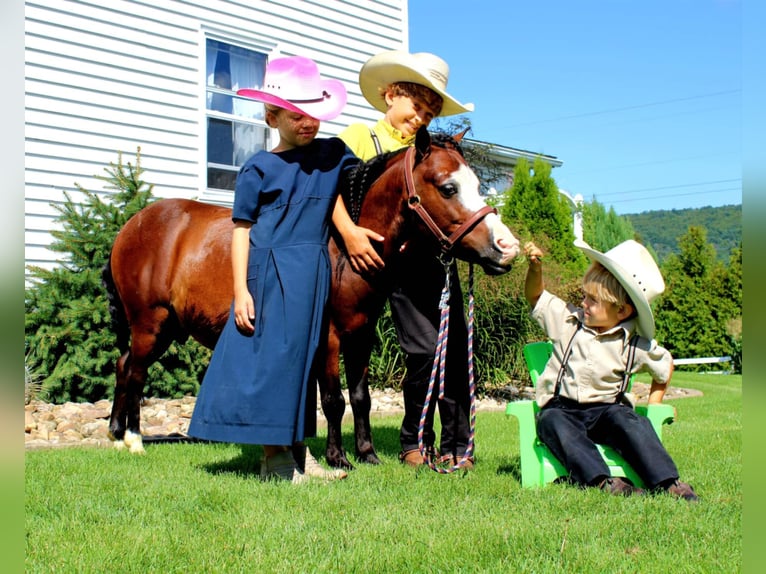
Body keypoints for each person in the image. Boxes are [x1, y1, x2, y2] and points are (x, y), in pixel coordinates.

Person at [188, 55, 359, 484]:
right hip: (269, 273)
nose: (308, 123)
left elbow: (369, 179)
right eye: (297, 115)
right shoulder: (257, 169)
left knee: (303, 363)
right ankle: (276, 461)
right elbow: (242, 231)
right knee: (272, 364)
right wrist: (242, 290)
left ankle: (299, 455)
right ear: (272, 115)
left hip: (313, 273)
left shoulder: (333, 155)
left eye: (314, 114)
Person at [334, 50, 483, 469]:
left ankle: (458, 444)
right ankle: (415, 439)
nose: (421, 118)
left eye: (430, 113)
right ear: (390, 96)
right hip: (367, 260)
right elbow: (326, 190)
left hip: (424, 260)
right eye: (416, 107)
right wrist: (349, 232)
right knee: (419, 352)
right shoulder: (361, 138)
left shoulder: (432, 150)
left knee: (447, 347)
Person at [523, 238, 698, 500]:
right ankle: (605, 482)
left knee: (631, 422)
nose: (583, 303)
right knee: (551, 421)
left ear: (622, 310)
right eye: (584, 296)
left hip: (606, 411)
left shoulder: (633, 344)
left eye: (592, 300)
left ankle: (668, 483)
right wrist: (535, 268)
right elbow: (536, 297)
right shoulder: (568, 322)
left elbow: (664, 366)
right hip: (563, 408)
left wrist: (656, 402)